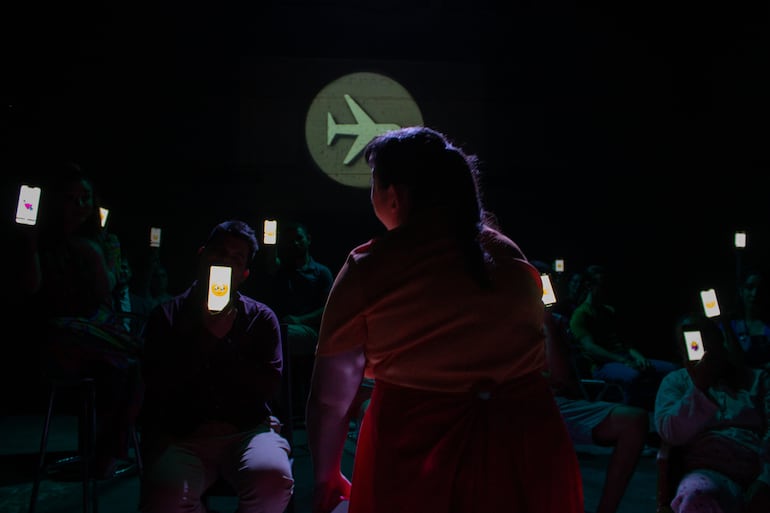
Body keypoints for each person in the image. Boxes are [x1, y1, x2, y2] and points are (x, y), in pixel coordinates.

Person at [306, 126, 584, 513]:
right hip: (529, 451)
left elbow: (330, 399)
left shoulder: (370, 266)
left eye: (373, 183)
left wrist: (326, 476)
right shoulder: (508, 252)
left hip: (419, 457)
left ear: (393, 195)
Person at [139, 219, 294, 513]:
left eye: (236, 258)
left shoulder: (260, 319)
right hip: (183, 435)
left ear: (244, 273)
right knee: (164, 496)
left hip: (247, 430)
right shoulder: (167, 315)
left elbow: (268, 386)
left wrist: (224, 344)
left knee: (273, 482)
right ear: (202, 256)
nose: (226, 262)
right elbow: (159, 385)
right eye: (219, 252)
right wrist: (207, 339)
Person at [18, 161, 143, 479]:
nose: (79, 205)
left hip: (95, 330)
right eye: (70, 198)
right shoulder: (44, 240)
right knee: (127, 360)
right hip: (57, 333)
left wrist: (97, 254)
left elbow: (105, 290)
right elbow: (31, 288)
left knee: (130, 365)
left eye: (84, 198)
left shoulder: (100, 242)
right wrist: (29, 243)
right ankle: (106, 454)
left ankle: (106, 452)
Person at [530, 260, 650, 513]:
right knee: (632, 378)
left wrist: (550, 323)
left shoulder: (583, 316)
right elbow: (562, 374)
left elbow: (564, 377)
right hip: (530, 402)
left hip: (560, 399)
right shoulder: (515, 319)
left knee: (636, 417)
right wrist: (547, 321)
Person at [654, 312, 770, 513]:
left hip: (757, 467)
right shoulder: (676, 382)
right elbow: (670, 432)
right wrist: (699, 387)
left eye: (707, 337)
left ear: (720, 339)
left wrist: (765, 479)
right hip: (707, 471)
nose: (704, 347)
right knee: (697, 495)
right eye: (692, 342)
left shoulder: (758, 380)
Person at [569, 264, 678, 410]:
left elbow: (626, 343)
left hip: (625, 359)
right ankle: (631, 413)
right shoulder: (580, 315)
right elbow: (591, 348)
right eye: (602, 285)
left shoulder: (609, 311)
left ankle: (666, 410)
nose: (606, 289)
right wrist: (623, 360)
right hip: (603, 366)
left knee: (672, 369)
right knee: (634, 376)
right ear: (590, 286)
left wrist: (639, 357)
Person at [261, 220, 334, 422]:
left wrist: (299, 320)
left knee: (279, 337)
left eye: (299, 238)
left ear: (308, 239)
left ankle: (283, 408)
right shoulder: (283, 271)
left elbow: (328, 309)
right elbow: (270, 263)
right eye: (290, 240)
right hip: (285, 330)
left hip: (311, 333)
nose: (295, 243)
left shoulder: (321, 272)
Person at [724, 270, 770, 370]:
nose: (755, 293)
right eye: (750, 288)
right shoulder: (729, 325)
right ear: (741, 291)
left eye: (760, 289)